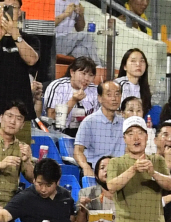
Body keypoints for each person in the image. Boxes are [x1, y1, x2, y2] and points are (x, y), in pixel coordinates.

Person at [0, 0, 39, 128]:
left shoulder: (30, 39)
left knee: (22, 148)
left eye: (12, 7)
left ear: (20, 12)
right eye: (4, 7)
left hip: (21, 112)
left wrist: (15, 35)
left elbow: (31, 59)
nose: (7, 10)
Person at [74, 81, 124, 178]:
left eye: (117, 94)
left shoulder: (124, 123)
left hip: (120, 174)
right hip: (97, 174)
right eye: (109, 95)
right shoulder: (89, 122)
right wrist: (86, 167)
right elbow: (77, 151)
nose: (114, 98)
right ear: (99, 98)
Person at [43, 57, 98, 135]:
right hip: (59, 135)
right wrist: (73, 100)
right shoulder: (58, 86)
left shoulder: (95, 90)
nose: (86, 78)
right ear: (72, 72)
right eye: (83, 73)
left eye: (91, 75)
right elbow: (51, 117)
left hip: (87, 136)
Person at [0, 102, 32, 205]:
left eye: (18, 119)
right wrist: (1, 165)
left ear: (22, 125)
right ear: (1, 118)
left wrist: (27, 161)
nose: (13, 122)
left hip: (8, 208)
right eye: (9, 116)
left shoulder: (22, 148)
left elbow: (33, 179)